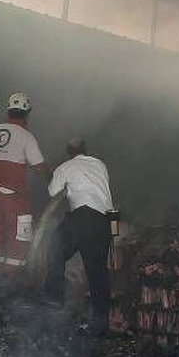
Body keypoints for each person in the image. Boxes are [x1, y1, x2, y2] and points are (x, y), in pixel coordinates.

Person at [45, 137, 115, 331]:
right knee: (98, 271)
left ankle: (53, 299)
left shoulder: (65, 167)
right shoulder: (100, 164)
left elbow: (52, 191)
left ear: (68, 152)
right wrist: (113, 232)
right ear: (86, 150)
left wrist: (58, 179)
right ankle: (101, 320)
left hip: (82, 216)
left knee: (55, 248)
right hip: (103, 221)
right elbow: (106, 196)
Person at [0, 93, 47, 274]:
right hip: (13, 195)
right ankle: (13, 277)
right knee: (21, 233)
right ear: (27, 113)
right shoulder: (26, 136)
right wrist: (54, 181)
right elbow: (39, 168)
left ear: (8, 111)